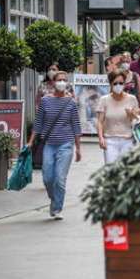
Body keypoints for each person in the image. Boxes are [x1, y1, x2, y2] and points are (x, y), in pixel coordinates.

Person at [28, 71, 82, 220]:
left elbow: (76, 125)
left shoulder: (71, 102)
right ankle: (54, 198)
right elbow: (38, 123)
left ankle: (57, 207)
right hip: (49, 144)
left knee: (60, 178)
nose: (62, 82)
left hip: (66, 144)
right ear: (53, 82)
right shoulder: (46, 101)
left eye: (65, 80)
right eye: (59, 80)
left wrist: (78, 148)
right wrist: (30, 142)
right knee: (47, 178)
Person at [96, 69, 140, 163]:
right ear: (110, 84)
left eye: (121, 83)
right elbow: (100, 121)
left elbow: (137, 121)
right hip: (110, 140)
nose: (118, 86)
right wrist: (101, 138)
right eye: (115, 83)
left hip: (128, 140)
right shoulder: (104, 100)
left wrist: (131, 115)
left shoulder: (132, 99)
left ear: (124, 83)